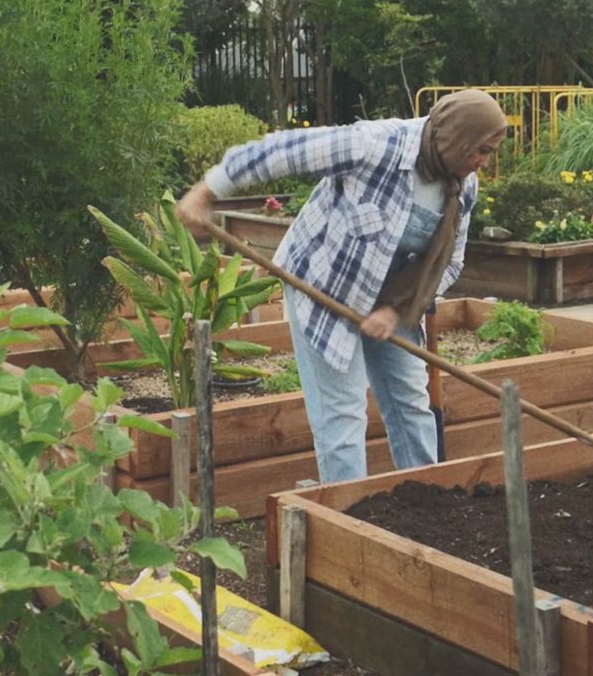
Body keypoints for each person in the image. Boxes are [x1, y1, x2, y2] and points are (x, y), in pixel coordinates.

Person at [176, 90, 509, 484]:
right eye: (481, 150)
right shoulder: (373, 146)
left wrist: (396, 311)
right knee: (344, 412)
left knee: (412, 404)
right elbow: (285, 151)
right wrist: (207, 190)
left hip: (396, 300)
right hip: (324, 286)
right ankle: (348, 517)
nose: (483, 162)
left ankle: (427, 499)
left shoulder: (461, 187)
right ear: (456, 139)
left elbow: (449, 263)